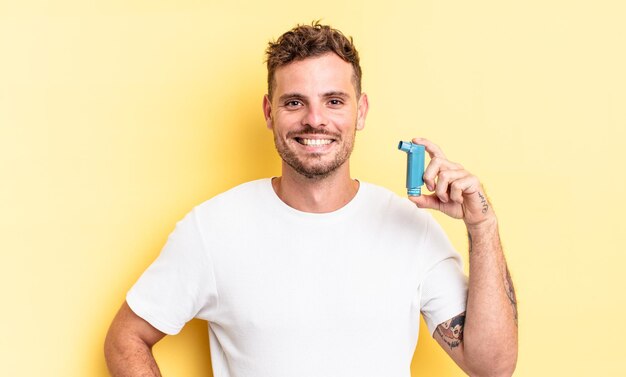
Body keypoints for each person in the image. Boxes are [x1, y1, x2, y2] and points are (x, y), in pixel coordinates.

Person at [104, 22, 518, 377]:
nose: (315, 119)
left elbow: (492, 366)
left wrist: (482, 226)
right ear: (269, 113)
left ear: (361, 111)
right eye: (294, 102)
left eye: (334, 101)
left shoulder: (413, 230)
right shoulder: (212, 229)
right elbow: (127, 338)